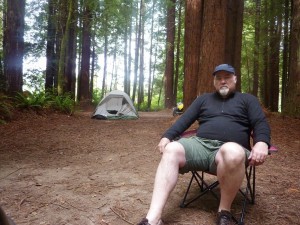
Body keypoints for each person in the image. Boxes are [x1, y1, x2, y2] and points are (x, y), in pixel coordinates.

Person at [137, 64, 271, 225]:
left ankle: (224, 212)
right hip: (200, 145)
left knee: (232, 150)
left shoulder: (248, 100)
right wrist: (167, 137)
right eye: (218, 78)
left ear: (235, 79)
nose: (223, 81)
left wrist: (262, 142)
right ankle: (153, 218)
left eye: (227, 77)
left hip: (231, 152)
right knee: (172, 149)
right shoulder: (203, 99)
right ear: (214, 82)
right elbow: (184, 120)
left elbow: (260, 123)